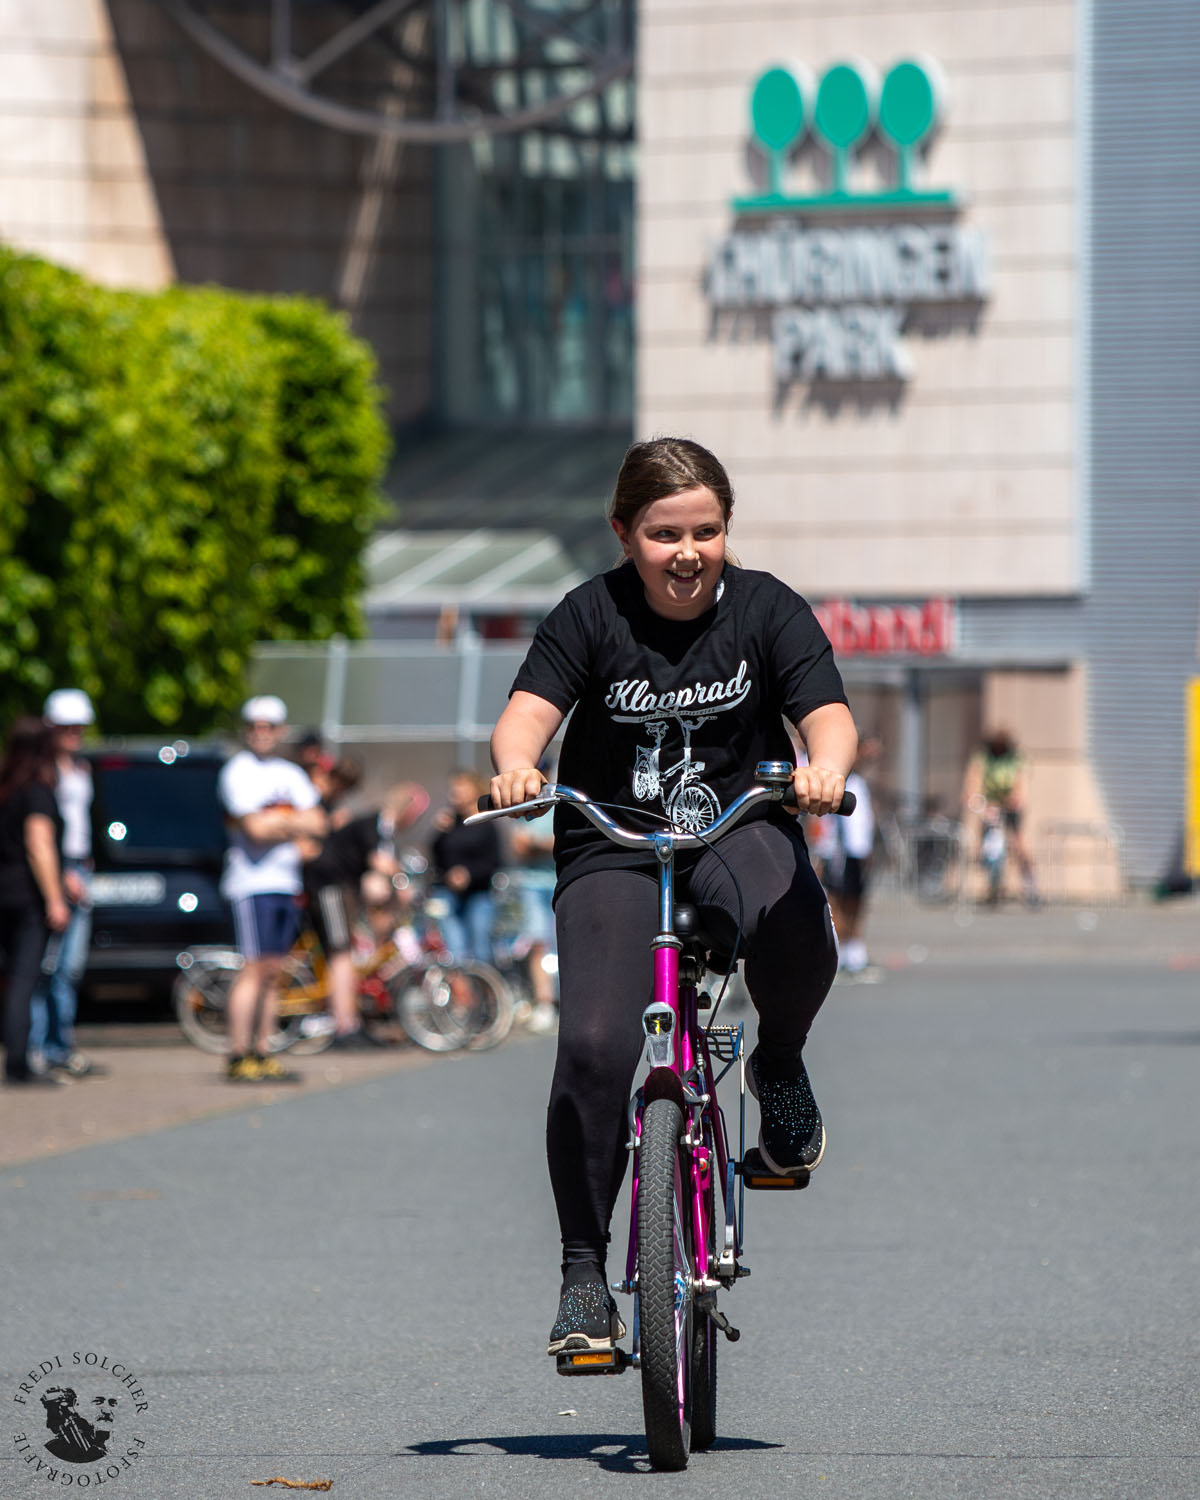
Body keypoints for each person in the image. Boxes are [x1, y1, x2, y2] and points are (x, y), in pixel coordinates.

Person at [486, 436, 857, 1356]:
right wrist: (514, 769)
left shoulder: (768, 609)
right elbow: (526, 715)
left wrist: (824, 770)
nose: (687, 552)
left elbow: (828, 714)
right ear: (624, 534)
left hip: (736, 824)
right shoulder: (587, 615)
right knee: (594, 1049)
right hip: (612, 843)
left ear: (726, 531)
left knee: (796, 922)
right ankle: (583, 1277)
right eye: (663, 534)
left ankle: (779, 1061)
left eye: (706, 531)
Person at [219, 696, 326, 1082]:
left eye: (269, 727)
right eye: (255, 726)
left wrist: (277, 823)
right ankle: (237, 1052)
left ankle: (263, 1050)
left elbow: (318, 824)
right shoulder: (237, 771)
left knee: (275, 971)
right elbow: (254, 829)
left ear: (280, 732)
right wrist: (292, 824)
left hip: (285, 882)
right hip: (252, 884)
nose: (261, 733)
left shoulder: (290, 773)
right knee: (253, 968)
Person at [301, 782, 426, 1048]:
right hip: (329, 886)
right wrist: (403, 884)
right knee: (341, 954)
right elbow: (379, 862)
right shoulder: (376, 824)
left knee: (346, 952)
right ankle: (345, 1026)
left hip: (342, 888)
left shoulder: (382, 829)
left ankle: (351, 1020)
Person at [28, 689, 101, 1079]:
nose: (75, 733)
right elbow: (42, 833)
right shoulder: (42, 772)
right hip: (57, 868)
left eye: (79, 727)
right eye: (67, 726)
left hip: (79, 867)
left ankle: (60, 1044)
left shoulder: (81, 768)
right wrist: (62, 875)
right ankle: (37, 1045)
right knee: (47, 965)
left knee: (69, 968)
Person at [0, 717, 70, 1087]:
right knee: (25, 981)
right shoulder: (37, 791)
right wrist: (55, 898)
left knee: (10, 979)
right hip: (26, 897)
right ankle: (18, 1063)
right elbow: (38, 844)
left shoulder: (6, 788)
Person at [813, 733, 881, 975]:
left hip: (857, 850)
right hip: (838, 851)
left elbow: (864, 821)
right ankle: (838, 951)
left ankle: (854, 948)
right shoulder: (837, 780)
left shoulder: (859, 783)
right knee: (837, 900)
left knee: (856, 900)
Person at [429, 769, 502, 965]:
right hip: (449, 893)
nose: (455, 792)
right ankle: (462, 991)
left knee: (480, 946)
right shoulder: (449, 824)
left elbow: (493, 862)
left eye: (460, 787)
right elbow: (435, 858)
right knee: (454, 947)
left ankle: (485, 991)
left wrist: (468, 874)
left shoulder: (486, 825)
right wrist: (438, 832)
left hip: (478, 893)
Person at [961, 727, 1040, 906]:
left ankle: (1031, 887)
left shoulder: (1015, 758)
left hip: (1011, 804)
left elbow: (1022, 783)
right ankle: (992, 886)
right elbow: (973, 779)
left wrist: (1016, 798)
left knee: (1020, 844)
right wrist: (976, 800)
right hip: (990, 804)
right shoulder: (983, 756)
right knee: (984, 844)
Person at [40, 1387, 117, 1463]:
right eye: (98, 1402)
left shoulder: (107, 1442)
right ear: (76, 1405)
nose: (107, 1411)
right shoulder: (55, 1449)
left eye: (112, 1403)